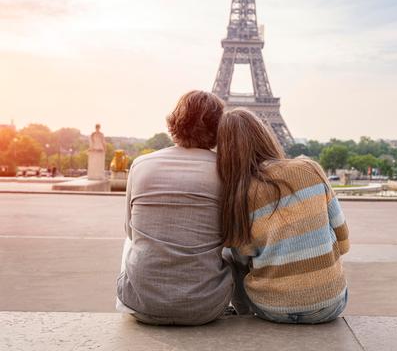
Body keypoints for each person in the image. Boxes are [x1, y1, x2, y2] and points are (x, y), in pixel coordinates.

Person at [217, 108, 350, 324]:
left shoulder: (238, 196)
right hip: (329, 305)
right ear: (265, 135)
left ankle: (243, 314)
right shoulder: (310, 168)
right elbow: (342, 240)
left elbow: (243, 258)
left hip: (269, 308)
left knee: (230, 254)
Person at [116, 90, 233, 325]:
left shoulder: (140, 165)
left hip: (140, 305)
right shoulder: (225, 170)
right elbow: (231, 237)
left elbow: (130, 230)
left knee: (132, 240)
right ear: (218, 127)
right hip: (205, 307)